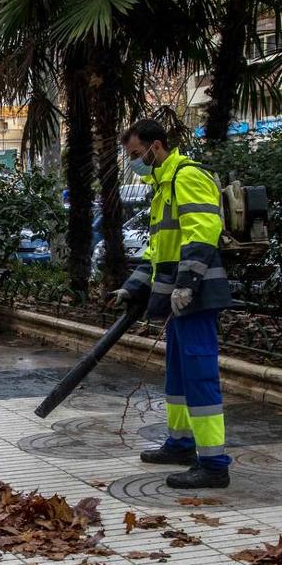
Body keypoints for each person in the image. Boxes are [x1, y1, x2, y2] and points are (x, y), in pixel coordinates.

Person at [107, 119, 234, 489]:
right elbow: (158, 251)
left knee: (199, 378)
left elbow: (203, 233)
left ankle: (213, 464)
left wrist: (187, 284)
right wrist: (132, 287)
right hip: (181, 299)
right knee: (177, 378)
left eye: (135, 154)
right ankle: (181, 443)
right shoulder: (163, 185)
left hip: (196, 296)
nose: (134, 162)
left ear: (156, 147)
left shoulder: (187, 176)